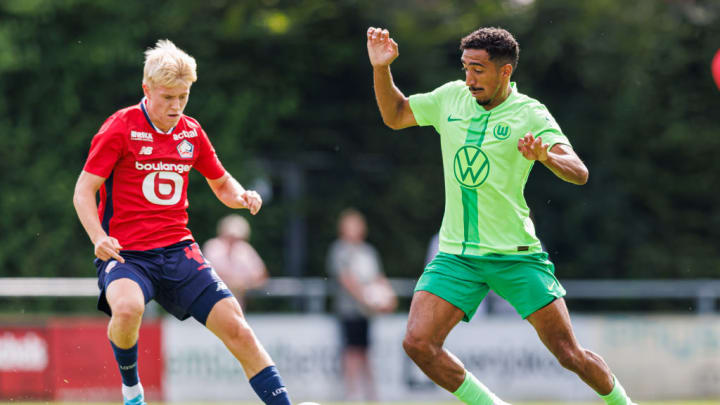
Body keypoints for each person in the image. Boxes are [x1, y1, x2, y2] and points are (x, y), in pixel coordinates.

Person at [366, 26, 637, 405]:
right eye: (465, 67)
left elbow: (579, 172)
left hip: (515, 255)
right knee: (418, 344)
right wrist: (382, 69)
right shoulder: (450, 98)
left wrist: (547, 157)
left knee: (569, 354)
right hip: (457, 255)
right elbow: (395, 115)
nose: (469, 78)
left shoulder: (530, 113)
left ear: (505, 71)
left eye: (478, 69)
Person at [73, 40, 292, 405]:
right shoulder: (119, 127)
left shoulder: (191, 132)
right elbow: (83, 191)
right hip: (128, 254)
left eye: (183, 97)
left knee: (238, 329)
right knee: (127, 309)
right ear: (146, 89)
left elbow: (221, 182)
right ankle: (132, 392)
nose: (176, 107)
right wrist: (98, 237)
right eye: (168, 97)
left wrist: (240, 195)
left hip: (178, 251)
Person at [326, 208, 396, 401]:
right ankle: (351, 394)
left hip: (366, 313)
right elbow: (346, 279)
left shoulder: (368, 251)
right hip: (350, 310)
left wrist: (387, 297)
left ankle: (370, 395)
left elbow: (378, 277)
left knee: (365, 352)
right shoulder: (340, 250)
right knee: (351, 352)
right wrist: (366, 298)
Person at [203, 214, 269, 306]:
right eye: (230, 237)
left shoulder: (245, 249)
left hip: (236, 306)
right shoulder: (213, 247)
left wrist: (244, 284)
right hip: (211, 304)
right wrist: (236, 282)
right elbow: (207, 274)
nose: (233, 241)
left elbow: (261, 276)